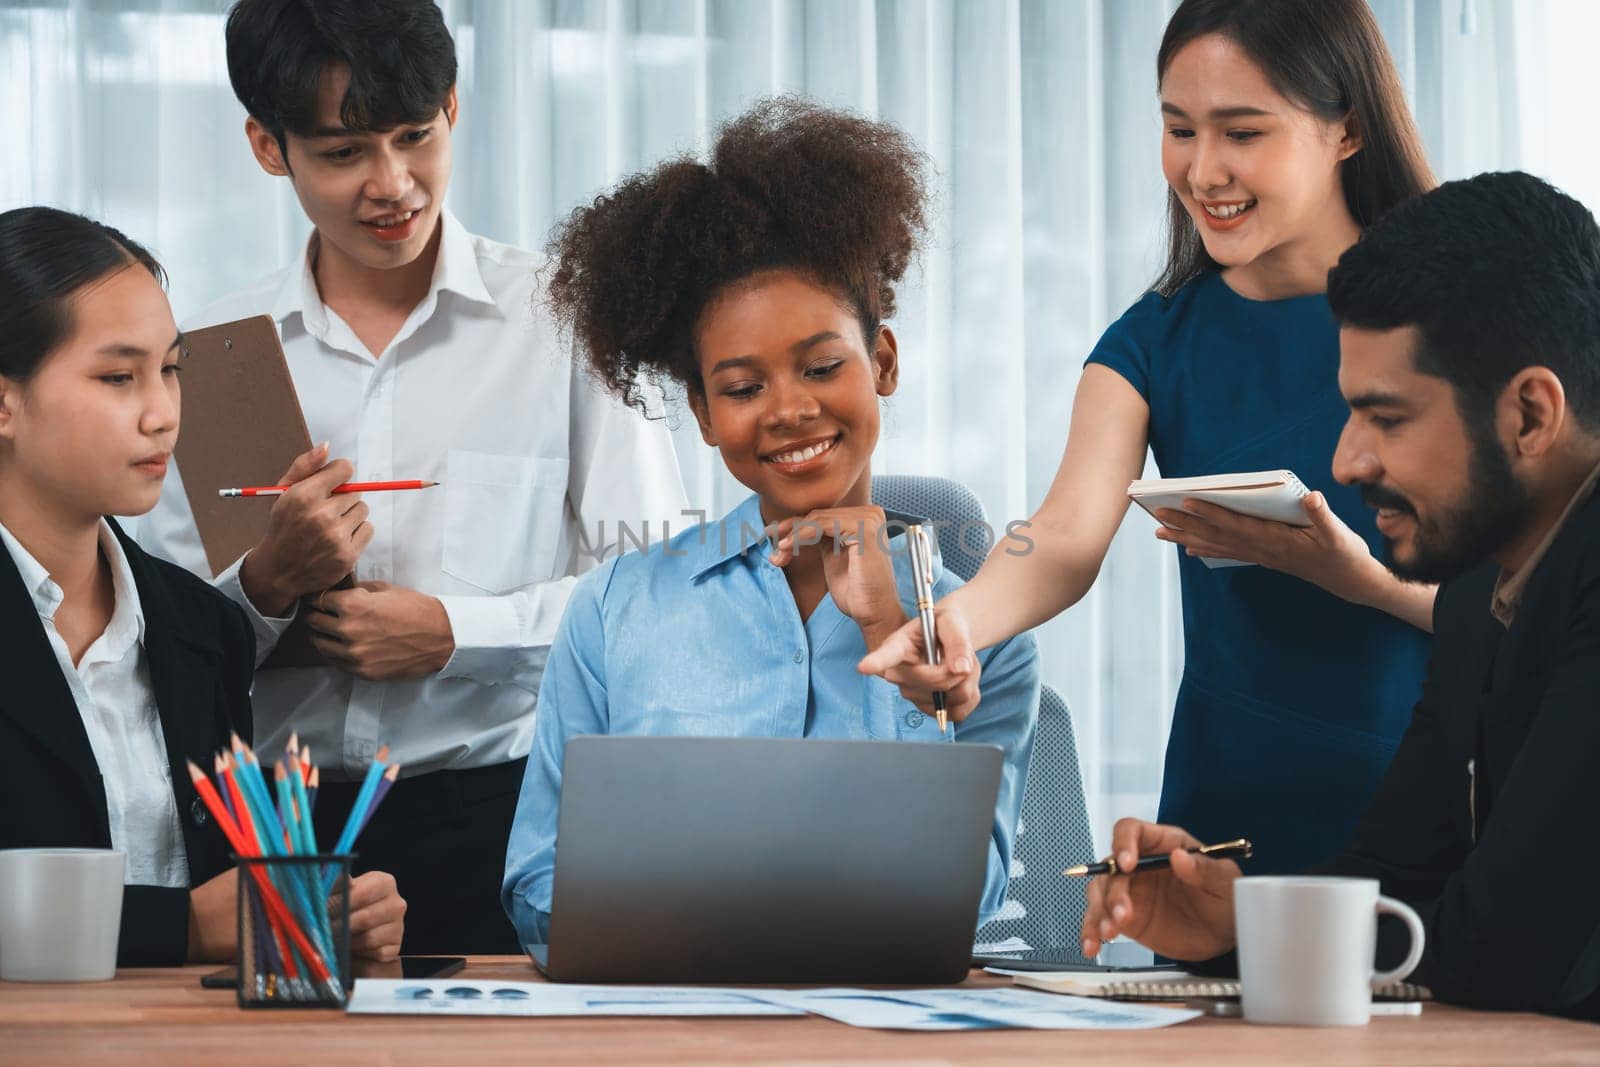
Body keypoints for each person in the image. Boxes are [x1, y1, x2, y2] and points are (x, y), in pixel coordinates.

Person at [137, 0, 687, 954]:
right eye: (344, 152)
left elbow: (654, 595)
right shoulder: (217, 356)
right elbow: (160, 641)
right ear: (270, 148)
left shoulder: (565, 323)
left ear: (454, 109)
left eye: (413, 137)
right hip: (278, 828)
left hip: (503, 815)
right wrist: (268, 585)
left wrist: (452, 633)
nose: (391, 184)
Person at [861, 0, 1437, 873]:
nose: (1203, 170)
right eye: (1179, 128)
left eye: (1242, 132)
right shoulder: (1154, 340)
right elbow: (1061, 537)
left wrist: (1360, 580)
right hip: (1222, 835)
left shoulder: (1454, 320)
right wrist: (956, 626)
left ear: (1347, 129)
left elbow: (1537, 602)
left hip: (1436, 807)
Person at [501, 98, 1040, 944]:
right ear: (705, 414)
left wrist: (888, 622)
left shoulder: (989, 636)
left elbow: (959, 903)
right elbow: (538, 884)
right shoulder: (613, 610)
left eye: (822, 366)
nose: (789, 410)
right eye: (744, 388)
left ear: (883, 363)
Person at [1079, 172, 1600, 1022]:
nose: (1348, 460)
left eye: (1386, 417)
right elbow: (1389, 884)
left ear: (1531, 415)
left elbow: (1500, 945)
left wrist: (1281, 926)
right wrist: (1232, 914)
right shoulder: (1478, 593)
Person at [0, 206, 406, 966]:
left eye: (172, 369)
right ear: (4, 401)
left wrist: (311, 917)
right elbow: (202, 919)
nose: (163, 414)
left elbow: (232, 906)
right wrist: (183, 925)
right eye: (119, 377)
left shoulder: (200, 629)